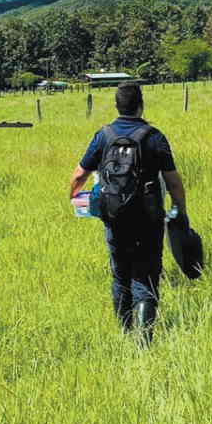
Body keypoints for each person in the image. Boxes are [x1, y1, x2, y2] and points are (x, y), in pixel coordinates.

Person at [68, 82, 187, 344]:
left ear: (116, 106)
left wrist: (74, 197)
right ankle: (144, 342)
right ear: (141, 105)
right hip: (149, 217)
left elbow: (79, 174)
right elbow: (174, 182)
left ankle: (125, 333)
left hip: (115, 217)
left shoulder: (104, 135)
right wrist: (181, 210)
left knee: (120, 274)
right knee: (146, 276)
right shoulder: (154, 136)